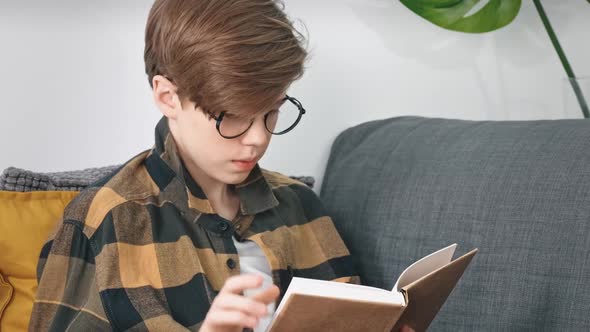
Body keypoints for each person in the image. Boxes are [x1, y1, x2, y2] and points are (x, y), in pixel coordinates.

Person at [29, 1, 414, 331]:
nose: (258, 139)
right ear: (167, 97)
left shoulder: (299, 205)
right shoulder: (105, 222)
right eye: (231, 117)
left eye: (271, 112)